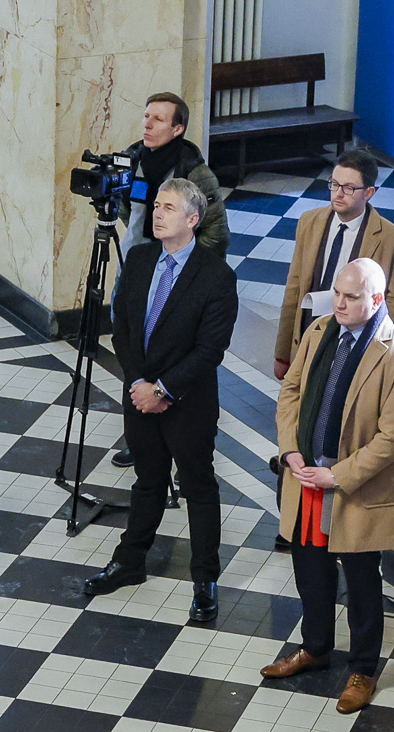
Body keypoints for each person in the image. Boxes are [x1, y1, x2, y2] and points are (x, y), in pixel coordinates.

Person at [261, 258, 394, 715]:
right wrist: (291, 450)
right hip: (306, 478)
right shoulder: (319, 332)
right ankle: (314, 648)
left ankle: (363, 670)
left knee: (361, 583)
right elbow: (290, 392)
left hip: (354, 489)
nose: (340, 302)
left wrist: (339, 474)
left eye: (352, 297)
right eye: (337, 293)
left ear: (377, 300)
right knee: (309, 569)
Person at [81, 179, 239, 625]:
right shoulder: (139, 256)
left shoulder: (216, 275)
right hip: (139, 394)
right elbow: (124, 324)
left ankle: (205, 581)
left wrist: (163, 390)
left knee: (198, 488)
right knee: (147, 482)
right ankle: (130, 563)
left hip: (187, 402)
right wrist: (138, 384)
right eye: (156, 206)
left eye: (168, 208)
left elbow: (211, 350)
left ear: (193, 219)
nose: (157, 213)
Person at [274, 150, 394, 381]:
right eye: (334, 184)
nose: (338, 193)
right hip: (308, 336)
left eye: (348, 188)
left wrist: (357, 317)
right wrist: (282, 353)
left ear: (369, 192)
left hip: (350, 344)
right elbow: (294, 288)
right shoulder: (310, 221)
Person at [120, 92, 229, 253]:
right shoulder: (132, 161)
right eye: (146, 116)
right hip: (131, 264)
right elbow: (125, 211)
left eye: (158, 119)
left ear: (177, 129)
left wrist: (184, 265)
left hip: (175, 269)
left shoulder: (195, 173)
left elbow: (215, 233)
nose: (147, 124)